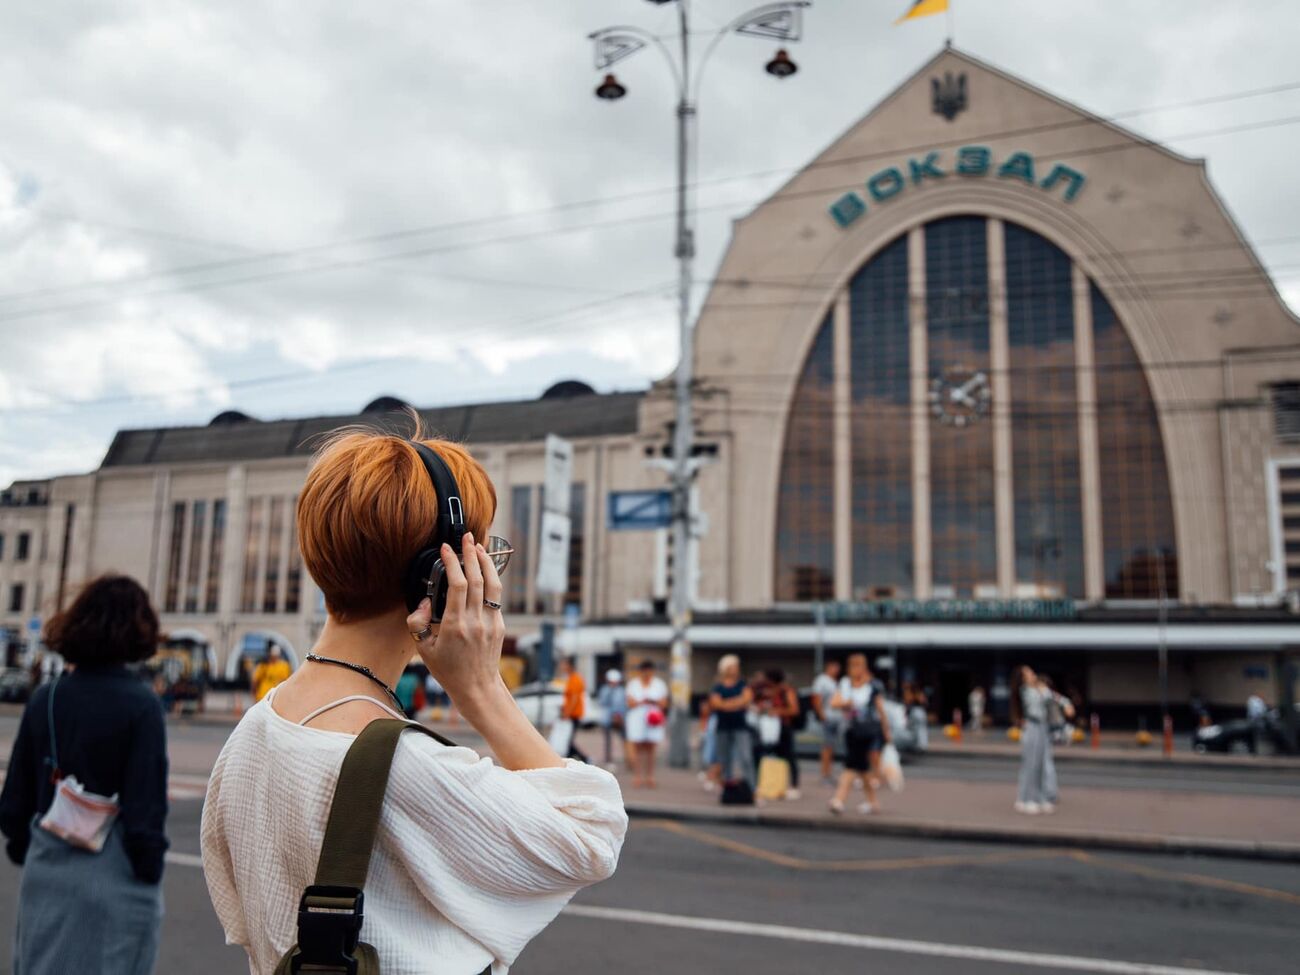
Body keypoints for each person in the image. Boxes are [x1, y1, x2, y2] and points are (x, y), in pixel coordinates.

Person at [200, 427, 626, 975]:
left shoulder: (255, 729)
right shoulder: (406, 768)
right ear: (442, 576)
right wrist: (482, 687)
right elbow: (594, 832)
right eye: (484, 554)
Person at [0, 574, 169, 975]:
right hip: (115, 884)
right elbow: (145, 810)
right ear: (139, 629)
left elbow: (12, 805)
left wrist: (29, 849)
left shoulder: (47, 697)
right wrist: (147, 872)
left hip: (46, 878)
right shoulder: (142, 705)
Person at [829, 653, 891, 815]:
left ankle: (839, 800)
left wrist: (886, 731)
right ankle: (873, 802)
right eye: (852, 666)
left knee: (851, 765)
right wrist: (845, 703)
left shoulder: (873, 685)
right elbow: (834, 702)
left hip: (868, 731)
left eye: (858, 666)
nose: (855, 669)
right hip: (851, 730)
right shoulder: (846, 684)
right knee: (862, 769)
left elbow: (880, 709)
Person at [1012, 665, 1056, 814]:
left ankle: (1042, 797)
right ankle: (1026, 799)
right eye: (1029, 673)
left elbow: (1051, 700)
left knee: (1043, 763)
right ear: (1023, 678)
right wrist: (1043, 693)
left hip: (1043, 727)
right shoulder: (1026, 690)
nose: (1033, 674)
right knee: (1031, 764)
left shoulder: (1038, 688)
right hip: (1033, 727)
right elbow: (1036, 708)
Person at [708, 655, 754, 790]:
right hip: (723, 726)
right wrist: (736, 702)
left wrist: (726, 703)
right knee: (724, 758)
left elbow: (747, 699)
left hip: (740, 725)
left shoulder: (742, 684)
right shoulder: (718, 686)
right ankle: (728, 786)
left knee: (746, 757)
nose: (735, 669)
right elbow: (716, 704)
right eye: (733, 666)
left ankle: (750, 787)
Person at [758, 668, 801, 800]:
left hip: (784, 727)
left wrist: (777, 711)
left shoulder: (786, 691)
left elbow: (794, 710)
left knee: (789, 756)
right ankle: (772, 784)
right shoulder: (768, 692)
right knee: (768, 756)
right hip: (770, 728)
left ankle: (794, 786)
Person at [625, 660, 669, 788]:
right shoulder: (633, 684)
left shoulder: (659, 684)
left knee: (651, 748)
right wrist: (641, 702)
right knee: (638, 748)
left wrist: (653, 701)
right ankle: (637, 775)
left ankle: (650, 776)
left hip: (653, 718)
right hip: (637, 718)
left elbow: (664, 703)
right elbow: (630, 703)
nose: (646, 673)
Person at [549, 656, 590, 764]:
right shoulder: (571, 678)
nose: (562, 666)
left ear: (570, 665)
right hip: (569, 714)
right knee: (568, 739)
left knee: (567, 739)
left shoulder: (576, 679)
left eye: (564, 664)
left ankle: (582, 759)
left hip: (573, 715)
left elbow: (575, 699)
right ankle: (579, 759)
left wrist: (567, 714)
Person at [812, 659, 842, 784]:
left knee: (831, 747)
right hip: (828, 717)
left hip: (836, 718)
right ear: (829, 667)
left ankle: (829, 773)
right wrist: (821, 715)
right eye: (835, 667)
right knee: (827, 746)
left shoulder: (834, 682)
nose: (837, 670)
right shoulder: (822, 680)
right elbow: (816, 698)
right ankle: (824, 774)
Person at [595, 669, 627, 769]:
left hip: (620, 718)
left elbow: (623, 704)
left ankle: (628, 758)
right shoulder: (605, 690)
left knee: (625, 739)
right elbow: (602, 702)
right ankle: (609, 759)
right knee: (608, 741)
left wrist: (619, 715)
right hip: (607, 719)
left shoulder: (621, 690)